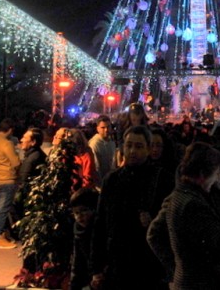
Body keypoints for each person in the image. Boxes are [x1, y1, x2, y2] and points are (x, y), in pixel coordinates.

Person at [147, 142, 220, 290]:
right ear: (204, 173)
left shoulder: (187, 195)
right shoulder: (192, 203)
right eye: (219, 173)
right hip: (200, 281)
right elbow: (218, 246)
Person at [91, 125, 174, 289]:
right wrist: (96, 267)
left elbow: (171, 224)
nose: (132, 151)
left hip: (149, 265)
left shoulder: (162, 179)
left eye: (138, 146)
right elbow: (100, 223)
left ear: (149, 149)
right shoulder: (112, 180)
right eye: (129, 146)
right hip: (117, 262)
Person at [0, 118, 20, 249]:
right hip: (6, 179)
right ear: (11, 130)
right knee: (3, 209)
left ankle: (2, 235)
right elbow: (16, 163)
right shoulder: (7, 144)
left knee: (0, 208)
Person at [70, 187, 99, 290]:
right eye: (76, 213)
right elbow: (77, 261)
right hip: (89, 279)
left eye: (84, 210)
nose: (79, 216)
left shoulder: (100, 228)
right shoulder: (78, 230)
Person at [89, 116, 116, 187]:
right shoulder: (94, 144)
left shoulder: (112, 142)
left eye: (108, 127)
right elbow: (96, 167)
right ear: (97, 128)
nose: (106, 130)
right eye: (103, 128)